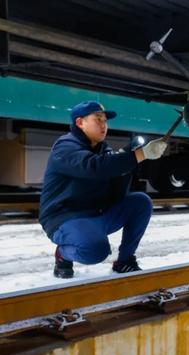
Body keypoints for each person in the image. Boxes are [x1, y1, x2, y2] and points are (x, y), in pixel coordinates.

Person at [39, 101, 167, 278]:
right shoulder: (65, 146)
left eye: (105, 121)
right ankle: (63, 254)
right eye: (97, 119)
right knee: (95, 251)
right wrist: (139, 155)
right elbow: (93, 167)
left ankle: (125, 261)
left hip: (95, 215)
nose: (103, 125)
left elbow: (115, 188)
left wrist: (125, 165)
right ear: (79, 123)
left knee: (140, 202)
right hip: (65, 218)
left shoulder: (103, 150)